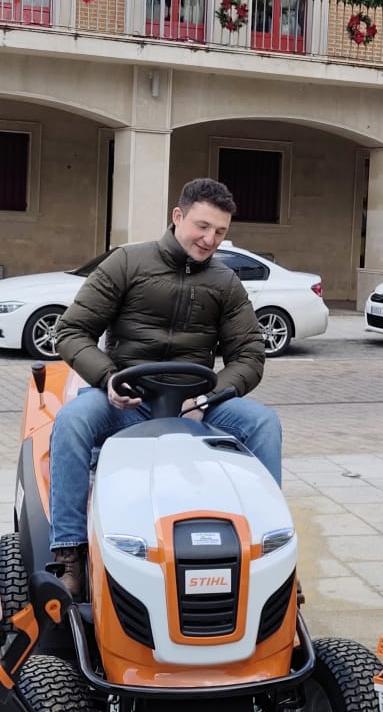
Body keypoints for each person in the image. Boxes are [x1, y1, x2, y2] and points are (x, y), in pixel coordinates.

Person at [45, 178, 280, 595]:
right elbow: (72, 331)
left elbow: (249, 357)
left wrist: (209, 397)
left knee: (263, 423)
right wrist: (108, 378)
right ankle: (70, 552)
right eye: (202, 227)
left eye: (220, 232)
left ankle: (270, 552)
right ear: (178, 216)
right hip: (126, 399)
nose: (209, 240)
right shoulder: (126, 263)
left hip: (196, 403)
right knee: (72, 420)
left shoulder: (225, 283)